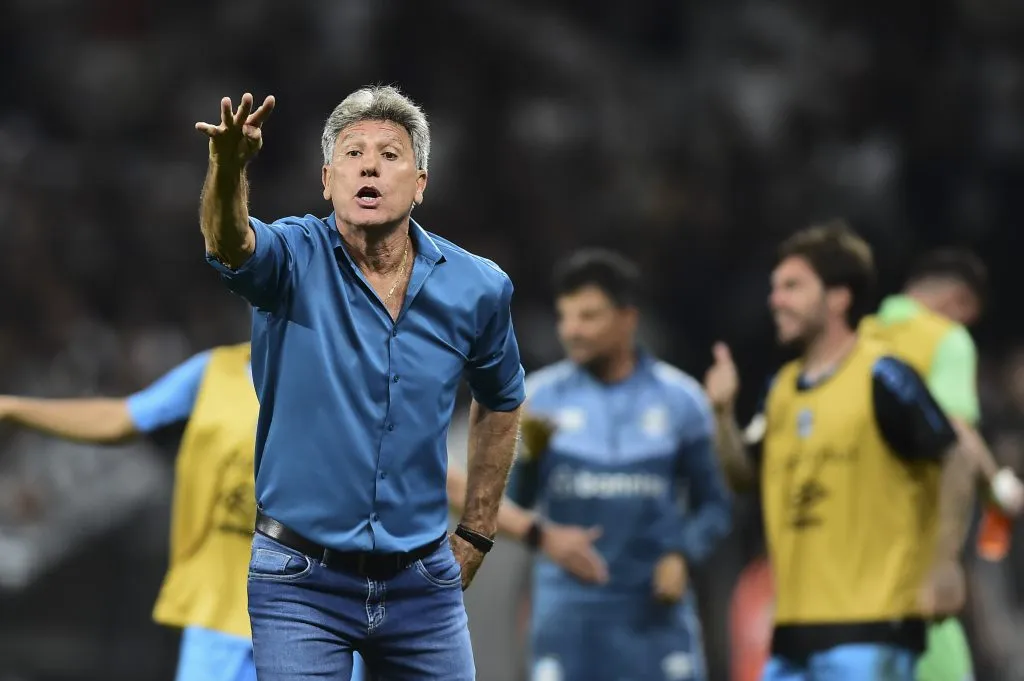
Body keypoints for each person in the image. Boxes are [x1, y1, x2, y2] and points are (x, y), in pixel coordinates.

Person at [0, 343, 606, 681]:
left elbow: (422, 470)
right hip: (218, 616)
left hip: (318, 614)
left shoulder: (343, 380)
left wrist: (535, 531)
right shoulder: (213, 372)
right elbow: (122, 419)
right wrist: (11, 407)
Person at [195, 85, 525, 680]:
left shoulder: (479, 288)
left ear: (421, 183)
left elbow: (501, 401)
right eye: (352, 153)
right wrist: (227, 170)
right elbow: (230, 242)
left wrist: (476, 532)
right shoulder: (291, 258)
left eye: (390, 153)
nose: (370, 164)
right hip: (300, 579)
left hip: (422, 585)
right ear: (327, 181)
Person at [705, 223, 975, 680]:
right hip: (791, 633)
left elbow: (956, 457)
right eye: (774, 288)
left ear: (838, 298)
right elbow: (743, 475)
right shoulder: (782, 390)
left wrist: (945, 564)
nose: (776, 300)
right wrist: (721, 414)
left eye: (792, 287)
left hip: (871, 630)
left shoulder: (883, 375)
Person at [506, 249, 733, 681]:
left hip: (654, 618)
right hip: (567, 621)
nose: (571, 331)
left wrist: (683, 553)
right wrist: (529, 459)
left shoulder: (681, 400)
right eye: (564, 317)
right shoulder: (537, 399)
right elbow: (513, 506)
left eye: (588, 316)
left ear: (628, 318)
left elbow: (715, 507)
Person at [858, 249, 1024, 681]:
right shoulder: (945, 339)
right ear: (958, 301)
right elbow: (959, 435)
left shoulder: (859, 339)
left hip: (849, 559)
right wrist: (998, 489)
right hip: (916, 556)